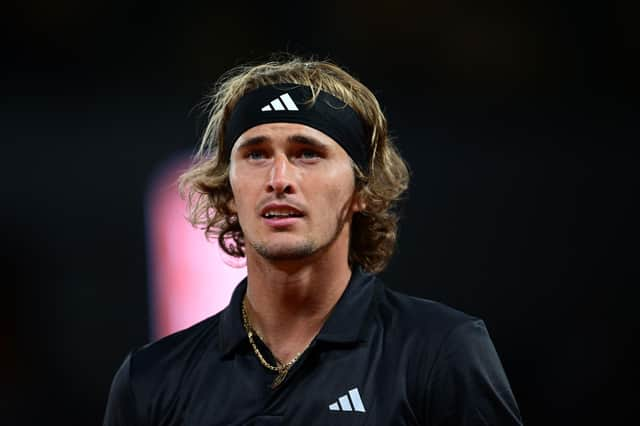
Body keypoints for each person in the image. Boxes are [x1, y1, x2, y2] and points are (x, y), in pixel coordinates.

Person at [103, 56, 523, 425]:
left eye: (307, 153)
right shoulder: (151, 379)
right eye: (256, 154)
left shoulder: (441, 352)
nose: (279, 179)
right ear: (228, 193)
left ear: (362, 190)